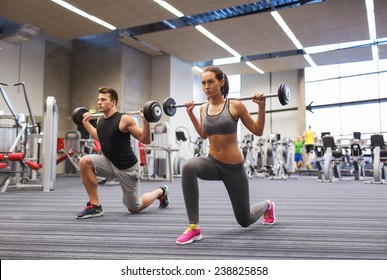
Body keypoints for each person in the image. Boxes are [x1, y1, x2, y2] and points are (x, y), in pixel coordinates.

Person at [176, 66, 276, 245]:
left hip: (233, 169)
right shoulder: (203, 108)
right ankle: (194, 227)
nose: (206, 86)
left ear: (221, 82)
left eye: (211, 82)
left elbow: (258, 130)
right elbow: (204, 134)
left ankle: (268, 205)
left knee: (244, 220)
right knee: (189, 167)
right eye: (203, 83)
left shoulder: (235, 105)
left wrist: (262, 107)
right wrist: (191, 113)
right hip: (213, 163)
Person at [75, 87, 169, 219]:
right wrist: (85, 123)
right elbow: (100, 136)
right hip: (109, 163)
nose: (99, 102)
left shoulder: (124, 119)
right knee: (85, 161)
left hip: (127, 169)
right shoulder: (100, 120)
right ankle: (95, 206)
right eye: (98, 100)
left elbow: (145, 139)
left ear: (113, 102)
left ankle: (161, 191)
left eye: (103, 99)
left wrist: (146, 120)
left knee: (134, 208)